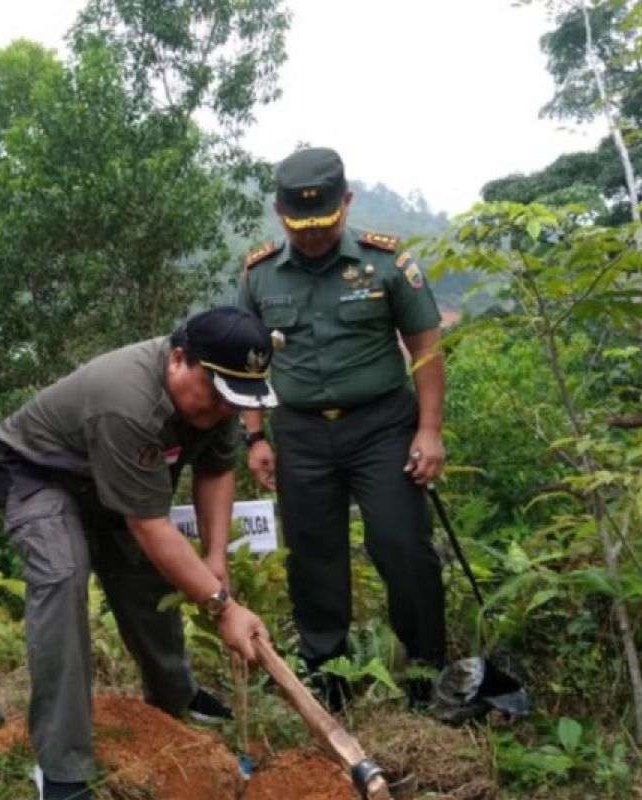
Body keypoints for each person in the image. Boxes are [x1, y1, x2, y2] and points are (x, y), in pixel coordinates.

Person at [0, 306, 275, 800]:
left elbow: (217, 470)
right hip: (37, 472)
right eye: (218, 396)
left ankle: (174, 695)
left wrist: (216, 563)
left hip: (104, 482)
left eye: (234, 402)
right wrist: (222, 607)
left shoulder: (220, 390)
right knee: (63, 575)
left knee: (151, 577)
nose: (224, 410)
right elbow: (149, 525)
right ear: (180, 359)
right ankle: (61, 767)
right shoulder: (128, 402)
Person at [237, 147, 447, 712]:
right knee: (313, 556)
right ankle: (329, 675)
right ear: (280, 213)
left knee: (402, 544)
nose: (312, 236)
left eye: (325, 222)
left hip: (382, 428)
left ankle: (427, 668)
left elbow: (425, 349)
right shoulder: (259, 274)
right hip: (301, 433)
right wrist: (255, 436)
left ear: (346, 203)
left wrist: (429, 432)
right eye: (300, 225)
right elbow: (248, 359)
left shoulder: (387, 264)